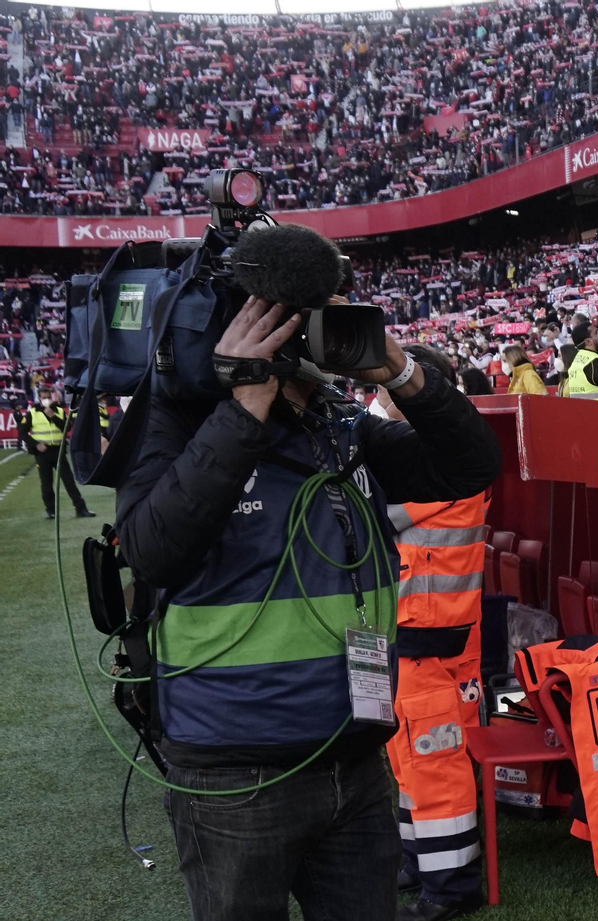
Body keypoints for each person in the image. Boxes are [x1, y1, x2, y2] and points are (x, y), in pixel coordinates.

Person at [116, 293, 501, 921]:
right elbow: (153, 552)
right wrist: (244, 405)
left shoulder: (340, 429)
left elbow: (471, 466)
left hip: (355, 761)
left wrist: (400, 370)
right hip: (234, 775)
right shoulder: (181, 420)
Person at [373, 346, 489, 921]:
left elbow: (369, 508)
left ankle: (451, 887)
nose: (376, 399)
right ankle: (421, 860)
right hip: (427, 635)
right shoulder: (441, 452)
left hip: (429, 637)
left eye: (385, 389)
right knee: (411, 755)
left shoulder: (439, 462)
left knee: (431, 759)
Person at [18, 388, 93, 519]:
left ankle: (81, 509)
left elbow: (67, 428)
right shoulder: (32, 413)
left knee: (69, 481)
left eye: (48, 396)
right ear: (39, 398)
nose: (46, 399)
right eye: (43, 397)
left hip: (58, 451)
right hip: (42, 453)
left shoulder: (58, 410)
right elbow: (23, 431)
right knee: (46, 483)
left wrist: (52, 415)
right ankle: (51, 511)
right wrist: (36, 444)